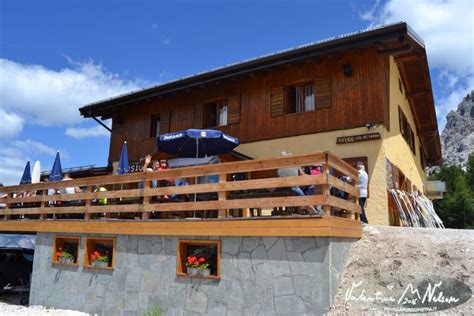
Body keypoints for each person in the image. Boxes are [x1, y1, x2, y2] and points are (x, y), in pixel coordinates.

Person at [277, 151, 320, 216]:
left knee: (303, 193)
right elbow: (302, 174)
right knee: (303, 197)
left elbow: (279, 175)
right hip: (293, 187)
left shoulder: (279, 166)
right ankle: (314, 211)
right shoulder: (295, 164)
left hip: (281, 187)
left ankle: (311, 210)